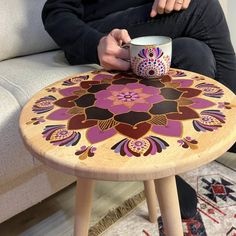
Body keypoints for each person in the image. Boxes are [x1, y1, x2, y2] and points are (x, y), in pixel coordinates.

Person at [42, 0, 236, 222]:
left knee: (194, 53)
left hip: (148, 19)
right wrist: (94, 42)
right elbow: (55, 12)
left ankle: (166, 161)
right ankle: (233, 122)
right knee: (204, 6)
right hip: (100, 32)